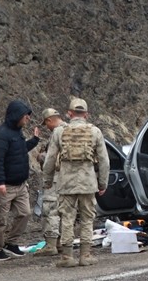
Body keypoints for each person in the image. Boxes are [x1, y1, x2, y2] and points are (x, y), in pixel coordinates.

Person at [43, 98, 110, 267]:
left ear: (69, 113)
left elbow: (50, 159)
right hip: (87, 181)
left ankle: (67, 257)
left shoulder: (59, 131)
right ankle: (85, 255)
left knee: (67, 217)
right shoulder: (95, 132)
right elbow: (104, 161)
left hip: (66, 181)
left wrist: (48, 180)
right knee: (87, 217)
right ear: (86, 114)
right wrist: (102, 184)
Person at [0, 99, 39, 261]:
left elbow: (19, 150)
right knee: (0, 219)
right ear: (17, 115)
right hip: (5, 186)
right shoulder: (1, 135)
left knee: (25, 213)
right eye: (26, 115)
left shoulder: (17, 132)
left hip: (20, 185)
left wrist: (34, 140)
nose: (28, 119)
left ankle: (11, 243)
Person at [32, 108, 65, 256]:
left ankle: (51, 245)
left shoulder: (57, 133)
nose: (47, 127)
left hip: (56, 177)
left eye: (46, 124)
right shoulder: (71, 130)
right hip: (70, 178)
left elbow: (51, 158)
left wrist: (40, 158)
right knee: (65, 210)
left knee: (51, 208)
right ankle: (62, 242)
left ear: (49, 120)